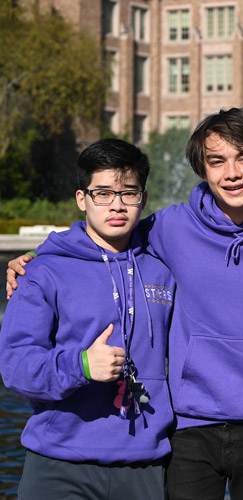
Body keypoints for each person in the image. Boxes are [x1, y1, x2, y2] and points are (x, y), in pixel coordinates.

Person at [6, 108, 243, 499]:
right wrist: (38, 258)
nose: (232, 173)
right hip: (171, 428)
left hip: (239, 427)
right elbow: (98, 243)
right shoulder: (171, 227)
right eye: (217, 161)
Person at [0, 139, 175, 499]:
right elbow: (15, 366)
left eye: (129, 193)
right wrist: (80, 365)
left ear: (143, 198)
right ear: (82, 198)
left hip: (144, 466)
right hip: (59, 464)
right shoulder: (42, 271)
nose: (117, 205)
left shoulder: (164, 268)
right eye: (103, 193)